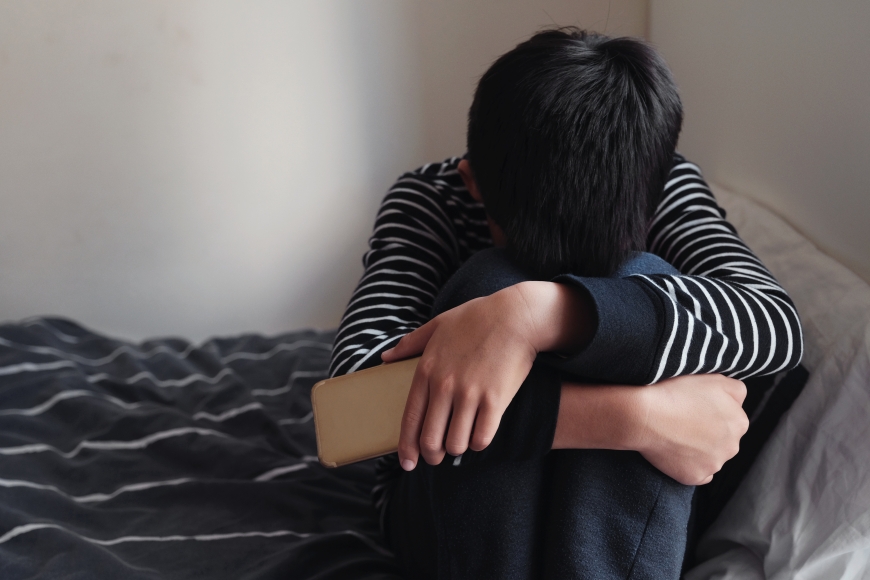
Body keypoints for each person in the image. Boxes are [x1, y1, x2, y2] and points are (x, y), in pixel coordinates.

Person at [330, 29, 802, 579]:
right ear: (471, 182)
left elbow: (775, 324)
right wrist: (636, 419)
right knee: (493, 278)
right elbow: (346, 411)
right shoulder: (431, 200)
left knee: (638, 279)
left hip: (621, 529)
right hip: (448, 520)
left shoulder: (662, 179)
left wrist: (538, 315)